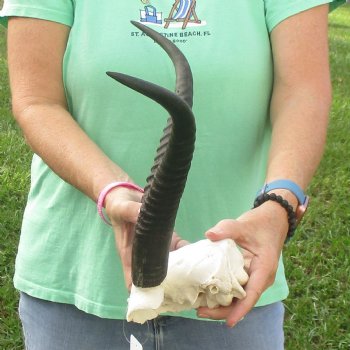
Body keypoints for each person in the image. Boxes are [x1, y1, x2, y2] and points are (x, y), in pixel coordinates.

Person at [0, 0, 344, 349]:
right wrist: (112, 190)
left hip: (233, 278)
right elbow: (37, 100)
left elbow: (303, 92)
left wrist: (279, 201)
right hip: (77, 281)